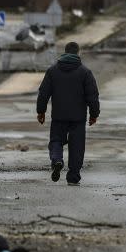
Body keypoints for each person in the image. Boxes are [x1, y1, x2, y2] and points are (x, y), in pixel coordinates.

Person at [37, 42, 100, 186]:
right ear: (78, 53)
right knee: (77, 146)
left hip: (58, 116)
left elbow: (43, 94)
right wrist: (94, 114)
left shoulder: (52, 71)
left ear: (64, 53)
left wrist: (41, 111)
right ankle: (73, 176)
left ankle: (57, 160)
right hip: (78, 118)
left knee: (56, 141)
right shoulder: (85, 72)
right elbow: (92, 96)